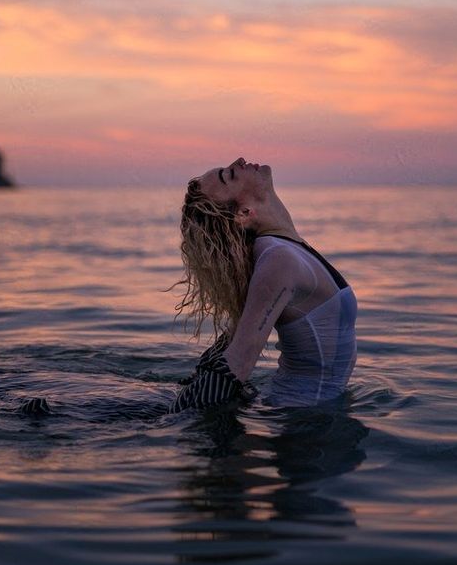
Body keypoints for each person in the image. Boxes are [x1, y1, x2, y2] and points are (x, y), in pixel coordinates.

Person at [21, 157, 357, 417]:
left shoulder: (281, 251)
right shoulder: (278, 260)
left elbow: (230, 350)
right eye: (229, 175)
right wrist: (176, 419)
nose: (239, 162)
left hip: (301, 412)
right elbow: (236, 364)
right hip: (301, 422)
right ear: (244, 212)